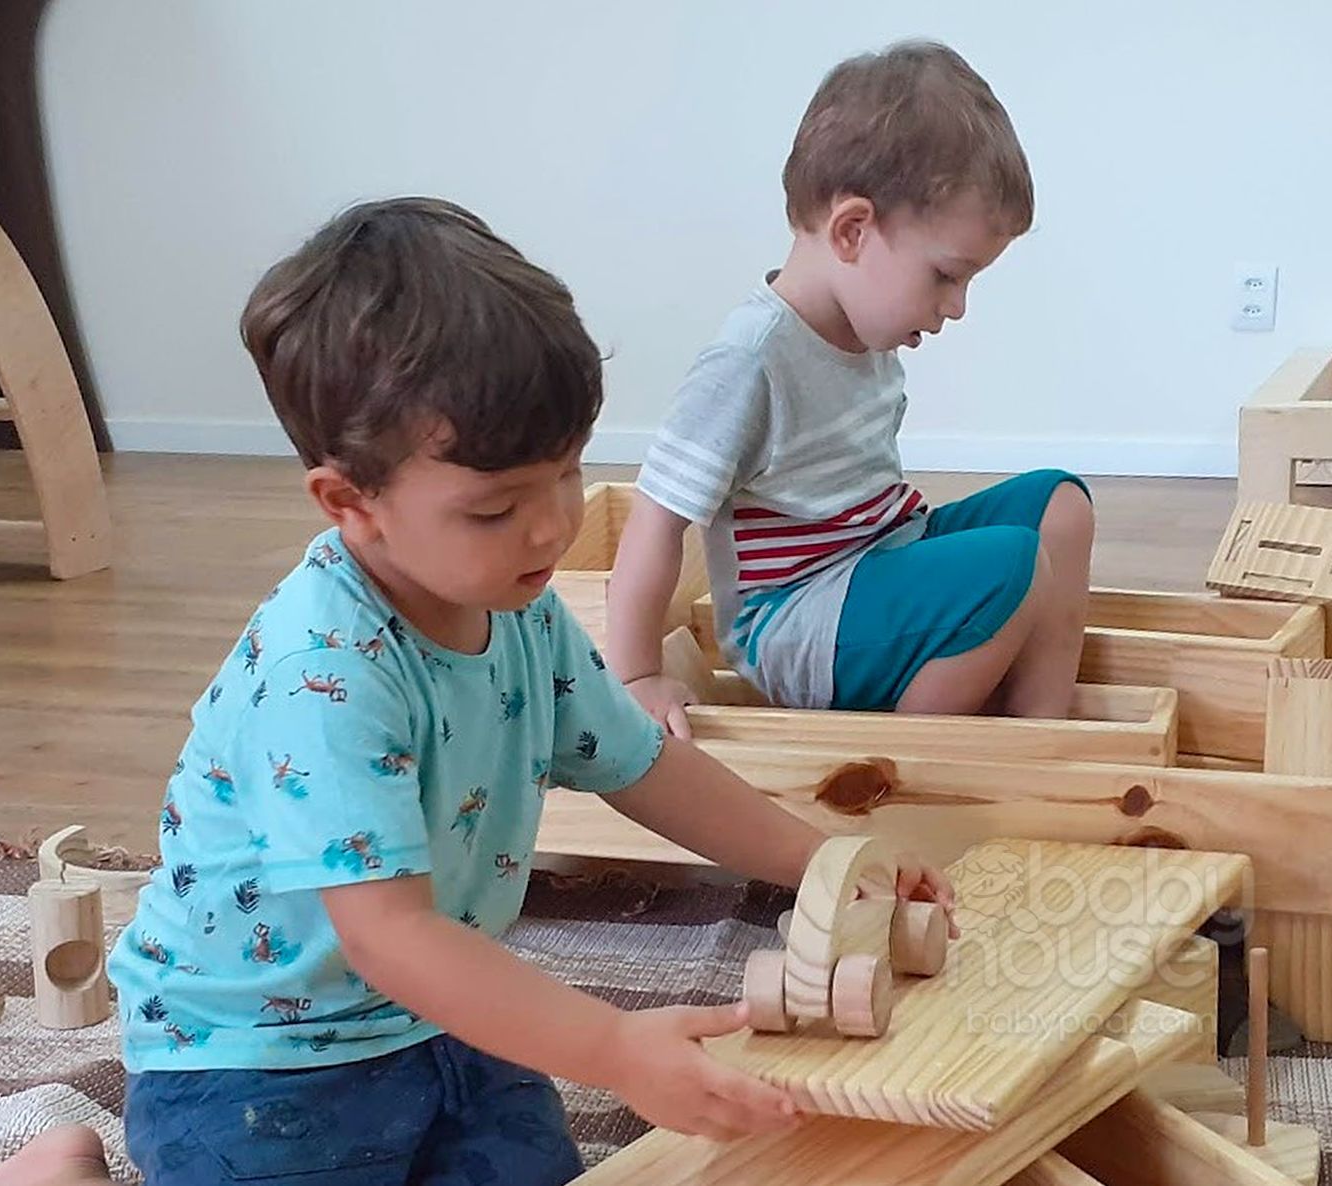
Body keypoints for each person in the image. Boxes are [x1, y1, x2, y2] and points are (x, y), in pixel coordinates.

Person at [99, 196, 955, 1185]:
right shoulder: (322, 675)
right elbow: (389, 935)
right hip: (249, 1064)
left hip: (445, 1018)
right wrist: (612, 1048)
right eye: (496, 507)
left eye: (567, 473)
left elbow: (646, 766)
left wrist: (827, 863)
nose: (551, 527)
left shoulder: (521, 611)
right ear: (350, 502)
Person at [607, 40, 1095, 737]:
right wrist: (634, 675)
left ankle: (1040, 733)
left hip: (877, 559)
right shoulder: (749, 361)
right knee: (1008, 566)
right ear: (852, 231)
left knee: (1061, 506)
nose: (957, 307)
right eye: (946, 275)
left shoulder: (867, 332)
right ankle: (917, 756)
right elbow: (656, 520)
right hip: (798, 619)